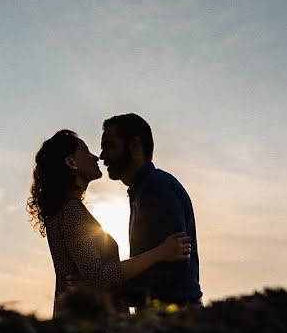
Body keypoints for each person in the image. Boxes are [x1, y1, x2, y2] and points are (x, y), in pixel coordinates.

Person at [27, 129, 192, 318]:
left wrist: (90, 284)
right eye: (87, 152)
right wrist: (159, 253)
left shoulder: (66, 210)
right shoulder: (70, 211)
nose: (96, 157)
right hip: (90, 324)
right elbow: (101, 277)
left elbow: (94, 278)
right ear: (71, 162)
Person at [100, 113, 203, 309]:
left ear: (135, 146)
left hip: (176, 316)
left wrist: (111, 290)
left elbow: (174, 265)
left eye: (109, 146)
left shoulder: (157, 186)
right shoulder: (141, 191)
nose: (102, 155)